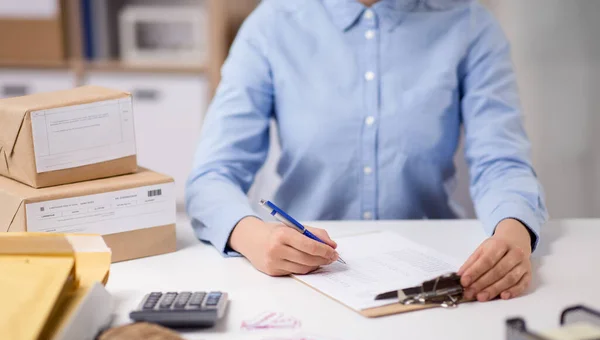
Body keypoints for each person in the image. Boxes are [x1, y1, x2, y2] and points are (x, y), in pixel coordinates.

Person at [186, 0, 548, 303]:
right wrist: (254, 237)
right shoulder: (272, 24)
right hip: (302, 282)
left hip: (432, 279)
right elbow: (212, 176)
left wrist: (512, 235)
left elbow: (501, 160)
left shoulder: (469, 23)